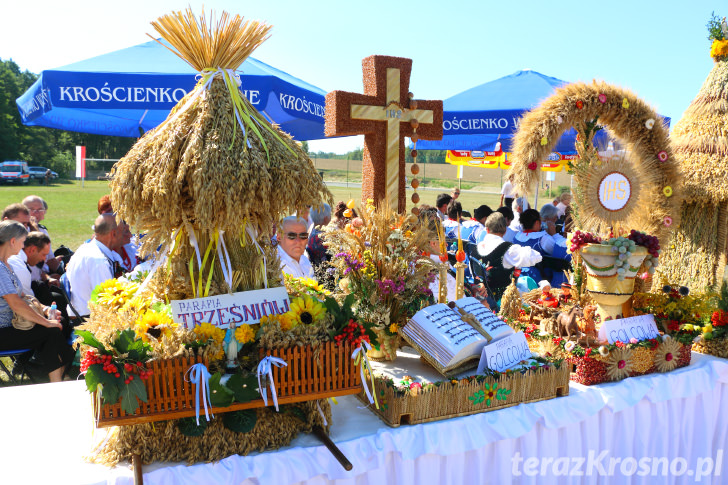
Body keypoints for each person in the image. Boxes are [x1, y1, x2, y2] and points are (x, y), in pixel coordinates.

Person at [0, 220, 73, 382]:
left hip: (10, 326)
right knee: (50, 331)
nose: (22, 246)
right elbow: (16, 303)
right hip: (3, 331)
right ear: (12, 241)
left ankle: (61, 377)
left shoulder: (6, 264)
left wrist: (46, 310)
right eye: (21, 242)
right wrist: (46, 322)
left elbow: (22, 298)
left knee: (51, 329)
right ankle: (62, 376)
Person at [65, 214, 126, 318]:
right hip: (90, 321)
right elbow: (106, 302)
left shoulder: (85, 249)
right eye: (124, 232)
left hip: (85, 316)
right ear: (114, 234)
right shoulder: (99, 260)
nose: (127, 236)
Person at [476, 213, 542, 303]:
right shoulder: (509, 250)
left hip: (480, 297)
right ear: (505, 231)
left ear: (487, 230)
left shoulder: (478, 246)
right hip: (503, 302)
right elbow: (537, 257)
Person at [22, 195, 63, 274]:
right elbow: (36, 262)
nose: (36, 213)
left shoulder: (43, 230)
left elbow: (50, 260)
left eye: (40, 209)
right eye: (32, 209)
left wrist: (63, 272)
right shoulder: (18, 232)